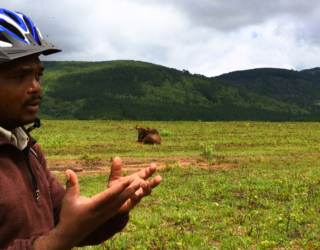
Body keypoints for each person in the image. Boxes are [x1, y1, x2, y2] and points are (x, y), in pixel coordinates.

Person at [0, 8, 162, 250]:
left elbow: (67, 223)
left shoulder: (28, 149)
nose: (36, 88)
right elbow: (60, 236)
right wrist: (59, 240)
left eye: (38, 76)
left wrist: (108, 211)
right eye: (19, 77)